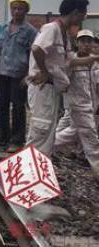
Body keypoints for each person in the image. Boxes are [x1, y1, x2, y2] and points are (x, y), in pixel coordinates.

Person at [26, 0, 89, 156]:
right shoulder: (52, 28)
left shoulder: (65, 34)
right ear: (75, 12)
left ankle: (39, 170)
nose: (84, 16)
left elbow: (70, 61)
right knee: (40, 130)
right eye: (84, 13)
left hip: (52, 89)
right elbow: (37, 49)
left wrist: (94, 58)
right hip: (43, 87)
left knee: (47, 133)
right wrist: (44, 71)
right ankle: (28, 173)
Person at [0, 0, 37, 151]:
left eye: (20, 8)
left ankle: (17, 140)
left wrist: (28, 75)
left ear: (26, 11)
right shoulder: (4, 27)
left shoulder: (31, 31)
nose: (16, 11)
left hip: (19, 74)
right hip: (2, 72)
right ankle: (2, 135)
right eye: (14, 8)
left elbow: (33, 55)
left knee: (18, 107)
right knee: (0, 105)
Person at [53, 29, 99, 180]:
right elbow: (61, 80)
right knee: (92, 143)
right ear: (77, 43)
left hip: (90, 108)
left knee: (71, 134)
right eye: (83, 41)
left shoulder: (94, 63)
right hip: (79, 107)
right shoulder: (72, 61)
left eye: (89, 41)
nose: (86, 44)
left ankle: (40, 148)